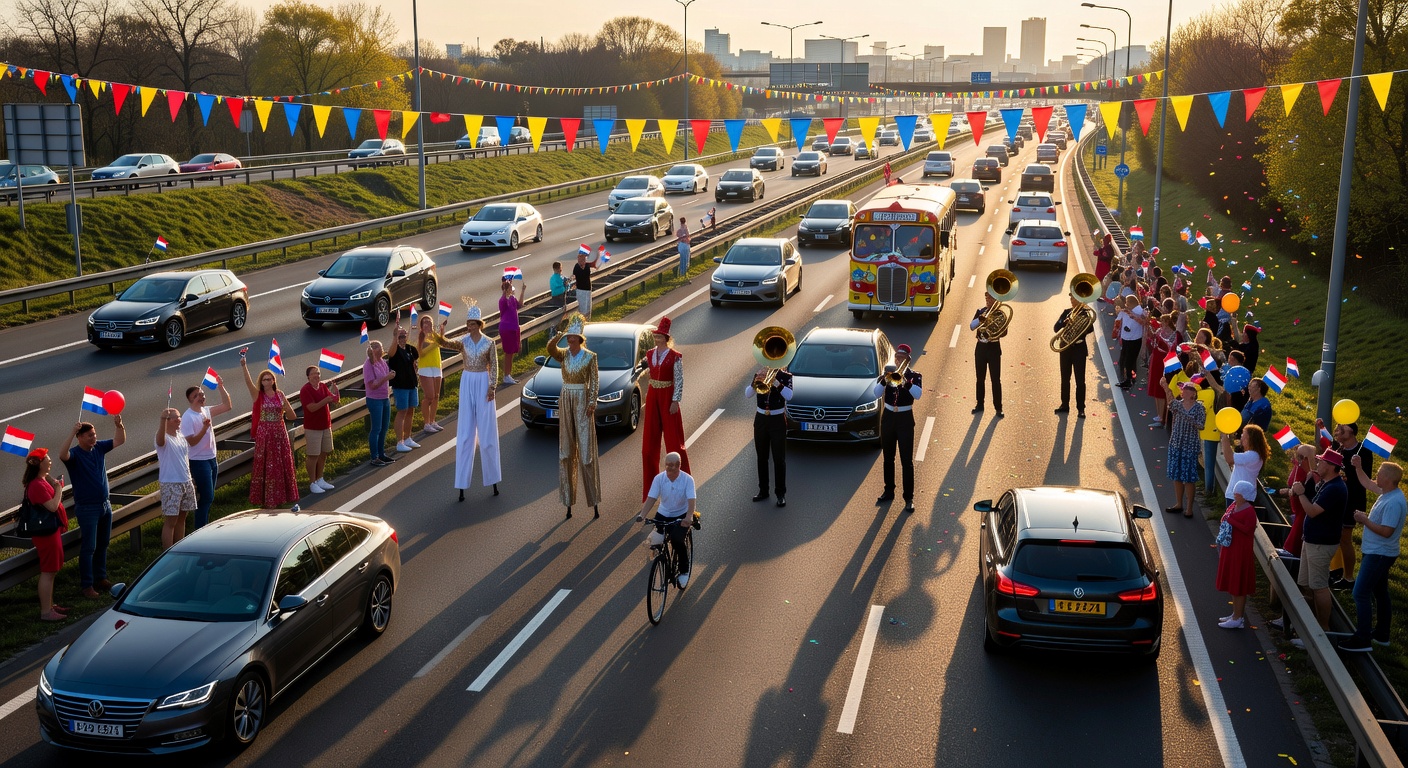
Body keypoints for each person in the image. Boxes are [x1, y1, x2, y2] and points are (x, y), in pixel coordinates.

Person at [431, 299, 502, 501]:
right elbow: (445, 343)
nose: (469, 327)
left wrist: (492, 387)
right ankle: (462, 482)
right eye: (468, 324)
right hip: (467, 380)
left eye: (473, 324)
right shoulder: (463, 341)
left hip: (483, 380)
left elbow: (495, 366)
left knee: (487, 432)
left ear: (479, 324)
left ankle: (493, 479)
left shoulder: (489, 343)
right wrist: (440, 333)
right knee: (465, 433)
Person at [1339, 458, 1405, 652]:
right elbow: (1367, 483)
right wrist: (1358, 467)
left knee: (1359, 593)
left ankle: (1363, 638)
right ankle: (1382, 635)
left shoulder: (1394, 502)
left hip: (1379, 555)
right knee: (1380, 592)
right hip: (1378, 553)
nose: (1376, 474)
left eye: (1379, 472)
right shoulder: (1387, 492)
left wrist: (1364, 520)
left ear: (1387, 478)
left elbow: (1387, 531)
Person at [60, 415, 125, 598]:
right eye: (89, 435)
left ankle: (101, 578)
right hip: (87, 508)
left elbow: (120, 440)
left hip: (105, 505)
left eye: (94, 434)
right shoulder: (74, 455)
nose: (93, 438)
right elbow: (61, 454)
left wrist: (119, 425)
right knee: (89, 547)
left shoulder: (99, 448)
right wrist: (72, 432)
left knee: (103, 544)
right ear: (80, 437)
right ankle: (87, 585)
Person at [546, 312, 600, 518]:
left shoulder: (590, 357)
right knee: (566, 450)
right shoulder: (564, 354)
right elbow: (550, 349)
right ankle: (568, 500)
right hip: (566, 397)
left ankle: (593, 501)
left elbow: (594, 380)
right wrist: (558, 334)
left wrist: (592, 401)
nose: (570, 340)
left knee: (586, 452)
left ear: (580, 339)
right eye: (568, 337)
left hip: (582, 399)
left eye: (573, 337)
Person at [1291, 449, 1348, 636]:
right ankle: (1309, 625)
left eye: (1322, 462)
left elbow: (1313, 511)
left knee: (1319, 586)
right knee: (1307, 583)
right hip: (1312, 541)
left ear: (1332, 466)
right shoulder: (1327, 484)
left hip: (1321, 545)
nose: (1318, 464)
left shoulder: (1335, 488)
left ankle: (1323, 631)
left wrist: (1300, 494)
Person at [1319, 419, 1375, 590]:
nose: (1338, 430)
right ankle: (1336, 569)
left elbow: (1365, 479)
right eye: (1337, 428)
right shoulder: (1339, 447)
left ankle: (1349, 578)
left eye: (1341, 428)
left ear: (1352, 431)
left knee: (1345, 539)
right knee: (1334, 535)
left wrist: (1357, 467)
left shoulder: (1363, 451)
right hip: (1335, 497)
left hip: (1352, 500)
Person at [640, 317, 690, 503]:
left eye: (660, 336)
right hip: (653, 395)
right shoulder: (650, 354)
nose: (657, 338)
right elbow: (646, 368)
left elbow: (679, 380)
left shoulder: (675, 356)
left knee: (674, 444)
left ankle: (683, 487)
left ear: (666, 338)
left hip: (668, 395)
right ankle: (650, 492)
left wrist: (675, 400)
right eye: (656, 336)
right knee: (648, 447)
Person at [239, 353, 298, 508]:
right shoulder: (258, 395)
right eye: (264, 379)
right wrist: (244, 366)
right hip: (265, 434)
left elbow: (291, 415)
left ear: (273, 380)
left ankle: (282, 496)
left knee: (281, 463)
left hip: (280, 432)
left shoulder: (280, 394)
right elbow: (248, 383)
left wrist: (285, 408)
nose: (267, 381)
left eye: (269, 379)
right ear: (261, 381)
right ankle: (267, 499)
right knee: (267, 465)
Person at [635, 452, 697, 588]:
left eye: (674, 465)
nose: (670, 468)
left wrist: (688, 517)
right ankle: (661, 559)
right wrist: (642, 514)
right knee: (655, 541)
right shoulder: (659, 479)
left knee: (677, 540)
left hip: (681, 515)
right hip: (663, 514)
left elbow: (691, 500)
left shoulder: (687, 480)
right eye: (668, 465)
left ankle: (684, 570)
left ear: (679, 465)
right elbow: (652, 497)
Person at [874, 344, 923, 513]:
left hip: (905, 419)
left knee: (906, 461)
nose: (898, 360)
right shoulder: (887, 374)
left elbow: (917, 394)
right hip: (888, 418)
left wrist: (905, 382)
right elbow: (875, 393)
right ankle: (889, 491)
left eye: (902, 358)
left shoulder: (915, 376)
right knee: (888, 457)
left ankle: (908, 497)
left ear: (908, 360)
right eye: (897, 357)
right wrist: (883, 380)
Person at [181, 373, 232, 529]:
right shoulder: (187, 417)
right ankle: (200, 529)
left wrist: (221, 386)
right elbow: (192, 441)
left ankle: (203, 527)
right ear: (190, 400)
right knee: (206, 498)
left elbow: (227, 405)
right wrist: (204, 428)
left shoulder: (206, 410)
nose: (201, 397)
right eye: (196, 396)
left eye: (202, 394)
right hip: (198, 461)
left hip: (211, 459)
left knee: (209, 498)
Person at [24, 448, 69, 621]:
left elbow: (47, 482)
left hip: (51, 531)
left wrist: (52, 481)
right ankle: (46, 612)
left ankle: (50, 605)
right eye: (47, 459)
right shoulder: (36, 485)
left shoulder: (40, 480)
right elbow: (52, 506)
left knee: (52, 570)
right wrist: (59, 489)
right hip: (46, 535)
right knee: (48, 571)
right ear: (39, 464)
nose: (50, 461)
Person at [747, 362, 793, 507]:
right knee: (762, 457)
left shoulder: (786, 377)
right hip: (761, 419)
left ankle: (780, 493)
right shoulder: (759, 373)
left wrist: (777, 383)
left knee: (779, 459)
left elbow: (790, 396)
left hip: (777, 420)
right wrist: (755, 382)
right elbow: (748, 394)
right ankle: (763, 490)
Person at [1216, 480, 1261, 629]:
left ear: (1244, 495)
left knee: (1238, 586)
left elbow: (1248, 529)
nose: (1235, 495)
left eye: (1238, 493)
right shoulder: (1235, 506)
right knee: (1233, 583)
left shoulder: (1249, 511)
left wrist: (1231, 520)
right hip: (1232, 549)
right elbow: (1226, 518)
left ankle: (1238, 618)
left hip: (1240, 552)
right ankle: (1236, 614)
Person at [155, 407, 199, 548]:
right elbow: (160, 441)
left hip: (185, 481)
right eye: (175, 418)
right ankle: (168, 552)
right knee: (171, 522)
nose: (179, 420)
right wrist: (162, 419)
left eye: (179, 417)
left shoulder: (180, 435)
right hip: (171, 483)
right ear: (167, 421)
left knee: (182, 519)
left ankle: (179, 548)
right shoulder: (163, 438)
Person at [1166, 382, 1207, 517]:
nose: (1182, 391)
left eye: (1186, 390)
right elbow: (1169, 403)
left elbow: (1201, 426)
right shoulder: (1177, 404)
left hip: (1190, 446)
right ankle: (1179, 503)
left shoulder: (1199, 408)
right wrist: (1165, 387)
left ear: (1193, 393)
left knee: (1189, 478)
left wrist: (1188, 417)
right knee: (1176, 475)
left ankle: (1189, 508)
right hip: (1176, 443)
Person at [299, 365, 340, 494]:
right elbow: (311, 408)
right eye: (313, 374)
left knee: (324, 452)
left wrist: (336, 392)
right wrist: (326, 400)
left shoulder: (322, 386)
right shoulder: (305, 390)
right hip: (313, 427)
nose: (316, 376)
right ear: (308, 376)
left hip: (325, 425)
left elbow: (334, 400)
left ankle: (320, 478)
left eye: (318, 373)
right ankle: (312, 482)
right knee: (313, 455)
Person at [1054, 294, 1094, 417]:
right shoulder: (1066, 312)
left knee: (1080, 380)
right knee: (1065, 378)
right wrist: (1065, 323)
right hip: (1065, 348)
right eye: (1071, 299)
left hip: (1079, 349)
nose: (1072, 301)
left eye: (1074, 299)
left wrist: (1079, 323)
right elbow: (1056, 328)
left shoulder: (1085, 314)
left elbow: (1090, 329)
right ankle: (1064, 404)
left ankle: (1081, 408)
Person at [1277, 444, 1318, 558]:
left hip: (1305, 507)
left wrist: (1294, 491)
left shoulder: (1312, 474)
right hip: (1298, 507)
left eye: (1300, 457)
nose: (1298, 461)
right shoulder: (1304, 469)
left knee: (1299, 526)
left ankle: (1292, 550)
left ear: (1307, 458)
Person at [387, 320, 420, 454]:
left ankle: (408, 438)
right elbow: (390, 353)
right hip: (400, 386)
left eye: (404, 335)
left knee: (411, 411)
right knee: (402, 411)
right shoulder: (395, 351)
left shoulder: (410, 349)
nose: (403, 338)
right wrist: (395, 335)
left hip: (412, 384)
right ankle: (399, 441)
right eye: (400, 336)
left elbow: (414, 362)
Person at [970, 293, 1005, 417]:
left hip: (994, 348)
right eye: (987, 298)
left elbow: (1004, 332)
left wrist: (994, 326)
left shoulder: (1000, 314)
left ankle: (998, 407)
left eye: (991, 299)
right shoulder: (981, 312)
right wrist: (980, 319)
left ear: (996, 299)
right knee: (980, 378)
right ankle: (980, 404)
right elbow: (971, 326)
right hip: (981, 347)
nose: (988, 301)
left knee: (995, 379)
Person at [363, 339, 396, 467]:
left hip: (384, 398)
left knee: (384, 428)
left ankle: (381, 454)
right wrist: (387, 377)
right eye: (379, 347)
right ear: (373, 350)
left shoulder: (382, 362)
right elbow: (372, 385)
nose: (382, 349)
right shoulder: (368, 365)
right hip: (374, 399)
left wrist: (390, 375)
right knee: (376, 428)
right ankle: (374, 456)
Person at [1221, 423, 1269, 507]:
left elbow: (1229, 459)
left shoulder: (1252, 455)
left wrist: (1225, 437)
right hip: (1240, 495)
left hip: (1239, 496)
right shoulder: (1254, 455)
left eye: (1243, 434)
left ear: (1250, 439)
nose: (1241, 437)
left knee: (1233, 520)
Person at [416, 314, 448, 433]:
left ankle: (433, 421)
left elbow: (442, 342)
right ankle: (426, 423)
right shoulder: (421, 336)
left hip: (436, 366)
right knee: (429, 396)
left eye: (429, 322)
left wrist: (442, 331)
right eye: (424, 322)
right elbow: (421, 353)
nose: (427, 324)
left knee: (436, 396)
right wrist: (434, 344)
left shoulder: (434, 335)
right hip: (425, 368)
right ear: (422, 325)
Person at [1147, 312, 1179, 425]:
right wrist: (1147, 324)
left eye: (1163, 321)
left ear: (1167, 322)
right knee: (1155, 386)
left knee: (1161, 389)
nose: (1161, 323)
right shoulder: (1160, 331)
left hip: (1163, 362)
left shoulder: (1173, 334)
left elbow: (1171, 348)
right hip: (1156, 359)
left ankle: (1162, 416)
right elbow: (1151, 336)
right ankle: (1158, 414)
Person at [1113, 294, 1145, 389]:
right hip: (1126, 338)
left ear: (1132, 303)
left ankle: (1129, 381)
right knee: (1125, 360)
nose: (1126, 305)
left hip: (1134, 339)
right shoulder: (1125, 311)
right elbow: (1118, 320)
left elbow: (1143, 320)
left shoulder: (1139, 311)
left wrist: (1130, 313)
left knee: (1129, 361)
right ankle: (1128, 379)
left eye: (1127, 303)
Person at [499, 277, 524, 384]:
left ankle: (509, 374)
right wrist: (506, 287)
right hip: (506, 328)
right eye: (510, 288)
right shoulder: (503, 300)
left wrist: (523, 290)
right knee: (508, 353)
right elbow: (505, 298)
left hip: (514, 327)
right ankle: (506, 376)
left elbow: (520, 305)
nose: (512, 290)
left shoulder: (513, 298)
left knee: (512, 352)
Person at [573, 248, 601, 319]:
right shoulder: (576, 267)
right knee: (582, 309)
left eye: (584, 259)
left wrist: (598, 255)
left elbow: (595, 264)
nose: (582, 261)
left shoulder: (587, 265)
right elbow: (574, 276)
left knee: (588, 308)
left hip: (588, 290)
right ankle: (582, 322)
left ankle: (588, 321)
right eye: (580, 260)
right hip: (581, 291)